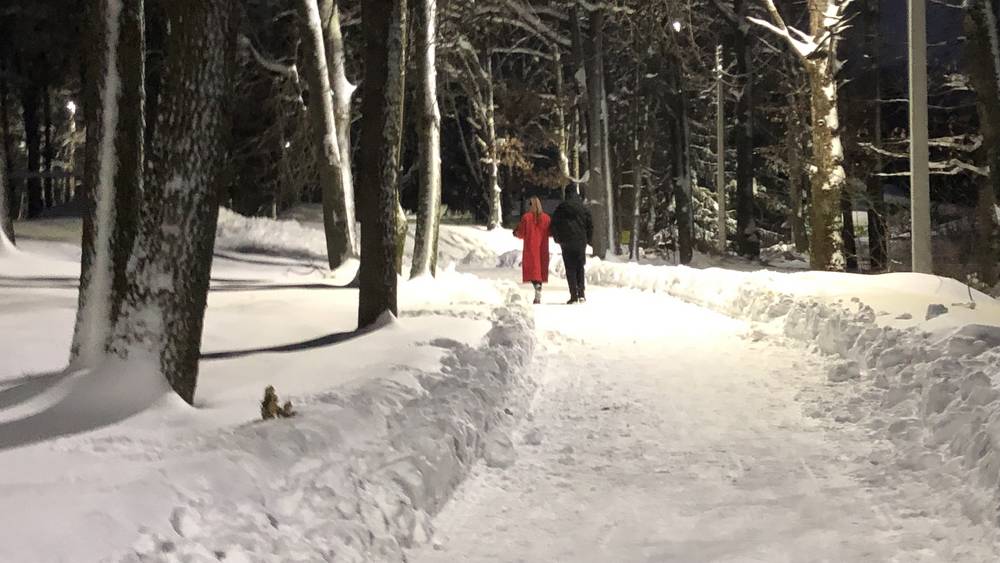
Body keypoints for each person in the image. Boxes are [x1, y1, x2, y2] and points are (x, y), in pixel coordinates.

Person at [550, 190, 593, 304]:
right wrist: (587, 239)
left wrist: (557, 238)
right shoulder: (583, 209)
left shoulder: (561, 209)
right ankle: (582, 294)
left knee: (570, 269)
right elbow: (590, 225)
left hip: (566, 242)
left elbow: (554, 225)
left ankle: (573, 295)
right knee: (580, 267)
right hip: (580, 242)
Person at [514, 196, 551, 304]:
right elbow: (549, 232)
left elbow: (520, 233)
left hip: (531, 247)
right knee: (540, 270)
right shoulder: (546, 218)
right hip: (543, 247)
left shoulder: (526, 217)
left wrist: (515, 232)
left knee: (533, 270)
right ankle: (538, 289)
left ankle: (537, 287)